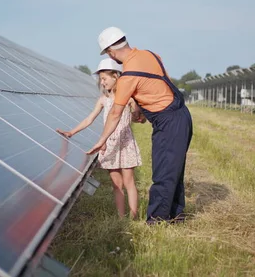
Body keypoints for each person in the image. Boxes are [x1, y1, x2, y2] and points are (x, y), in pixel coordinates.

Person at [87, 27, 193, 225]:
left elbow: (115, 113)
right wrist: (142, 111)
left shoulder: (128, 76)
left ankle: (157, 222)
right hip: (182, 115)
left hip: (168, 121)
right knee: (174, 170)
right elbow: (161, 85)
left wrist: (102, 140)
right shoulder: (151, 55)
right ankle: (176, 217)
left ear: (111, 51)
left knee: (163, 173)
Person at [56, 58, 144, 219]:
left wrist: (136, 111)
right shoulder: (103, 100)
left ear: (116, 76)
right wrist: (71, 132)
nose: (102, 83)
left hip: (125, 144)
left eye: (104, 79)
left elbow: (139, 116)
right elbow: (89, 119)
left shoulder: (128, 99)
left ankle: (133, 216)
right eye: (100, 80)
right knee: (116, 185)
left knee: (129, 182)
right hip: (109, 144)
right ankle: (121, 217)